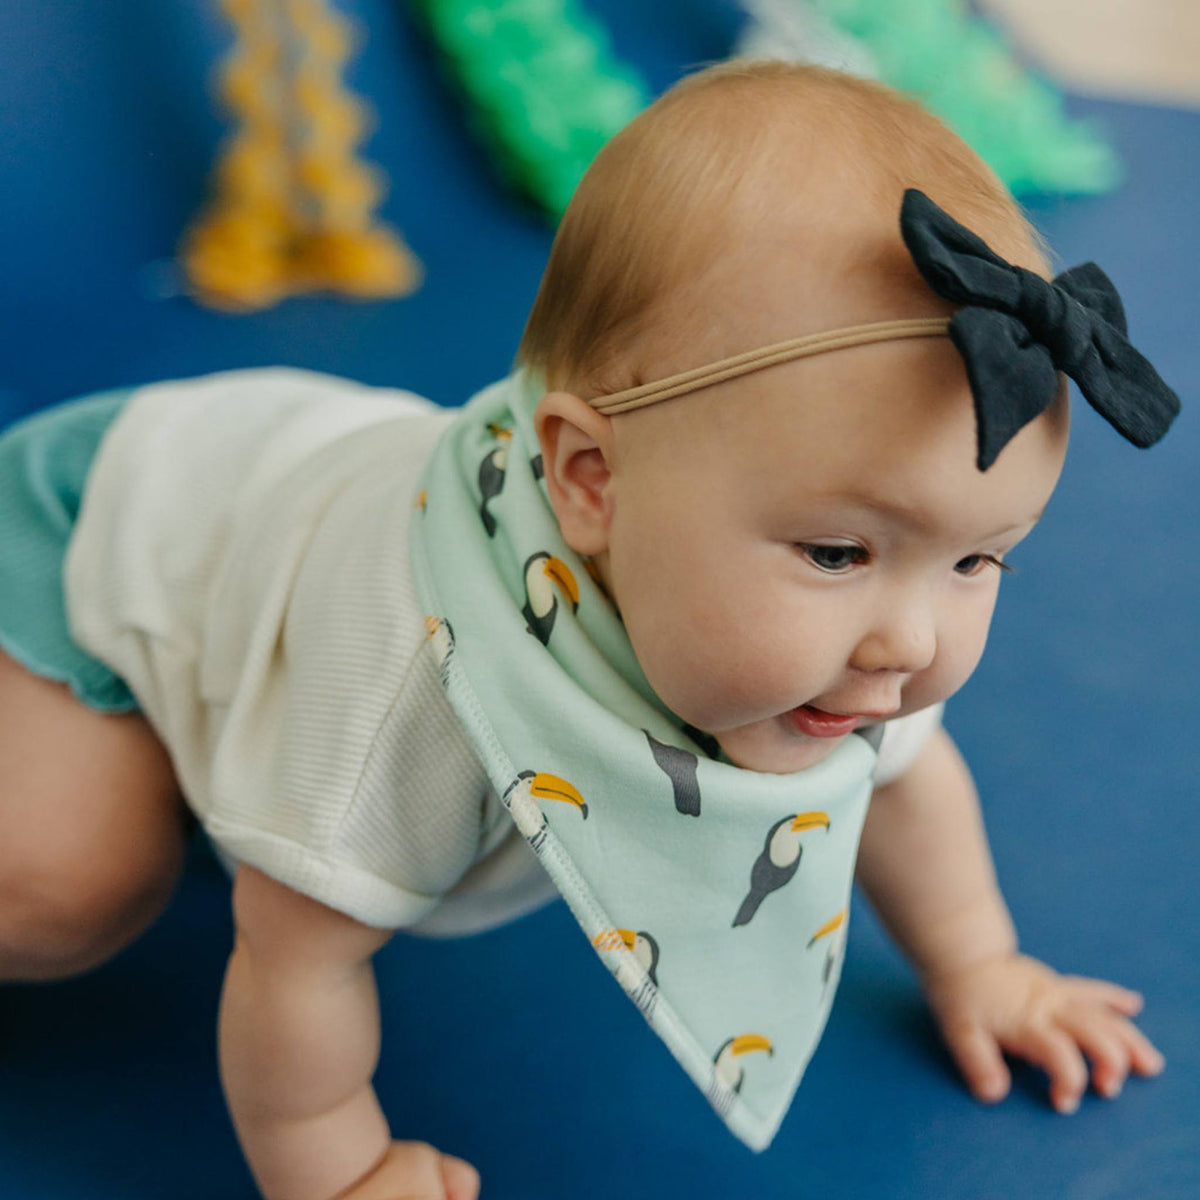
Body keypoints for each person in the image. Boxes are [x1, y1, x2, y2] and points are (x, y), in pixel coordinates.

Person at [0, 61, 1175, 1200]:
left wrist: (984, 965)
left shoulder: (855, 627)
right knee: (69, 885)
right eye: (836, 553)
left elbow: (909, 784)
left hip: (275, 475)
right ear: (589, 482)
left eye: (980, 559)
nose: (911, 644)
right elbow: (293, 960)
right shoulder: (412, 686)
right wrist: (338, 1168)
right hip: (97, 538)